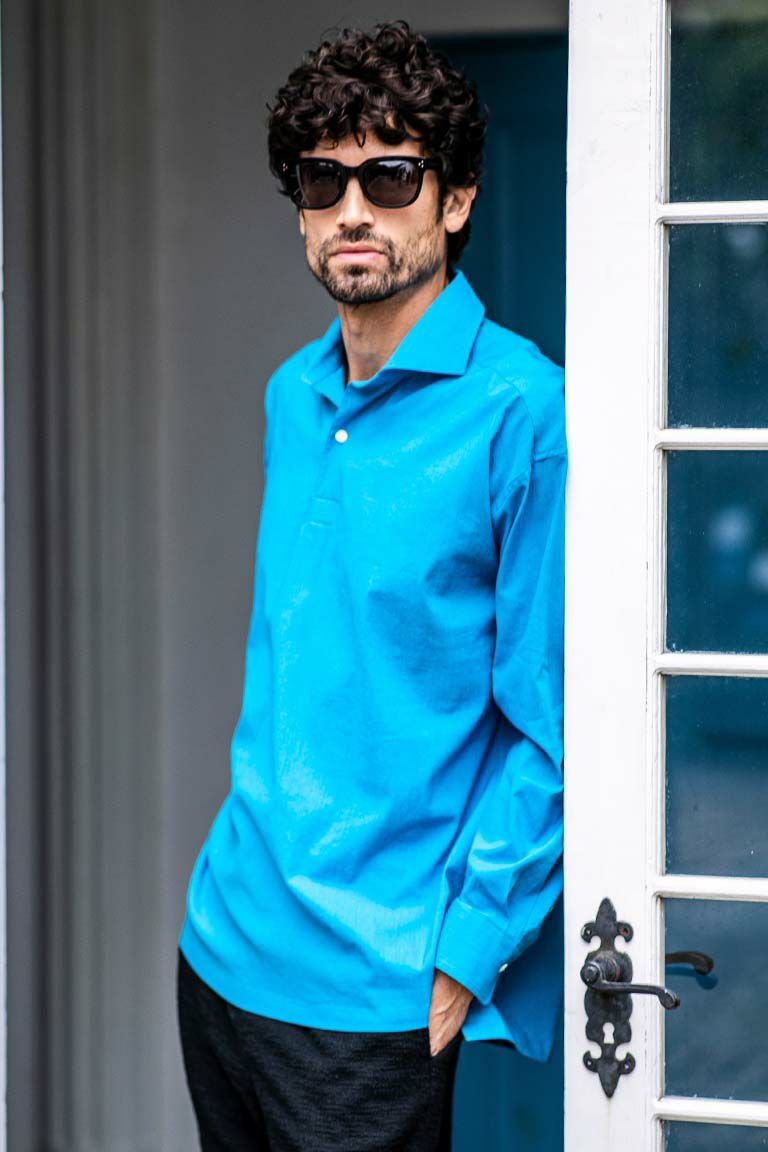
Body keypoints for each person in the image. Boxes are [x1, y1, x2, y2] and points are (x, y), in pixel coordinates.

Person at [176, 19, 567, 1152]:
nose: (354, 209)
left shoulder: (522, 412)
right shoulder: (290, 394)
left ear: (455, 198)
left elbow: (556, 726)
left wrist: (469, 951)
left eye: (390, 176)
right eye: (324, 180)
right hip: (223, 946)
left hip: (372, 997)